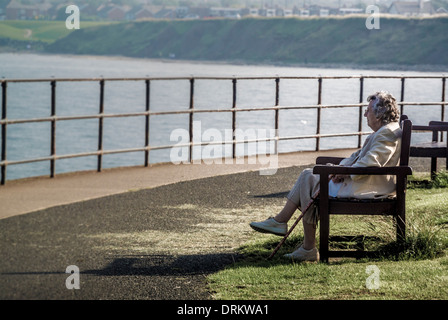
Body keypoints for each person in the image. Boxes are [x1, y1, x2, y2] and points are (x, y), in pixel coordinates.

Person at [250, 91, 402, 262]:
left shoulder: (386, 133)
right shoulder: (384, 131)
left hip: (369, 188)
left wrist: (343, 173)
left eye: (368, 110)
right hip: (365, 182)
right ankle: (294, 235)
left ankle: (293, 233)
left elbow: (371, 164)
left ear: (380, 114)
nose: (365, 114)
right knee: (310, 178)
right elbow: (356, 158)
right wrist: (340, 170)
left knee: (308, 177)